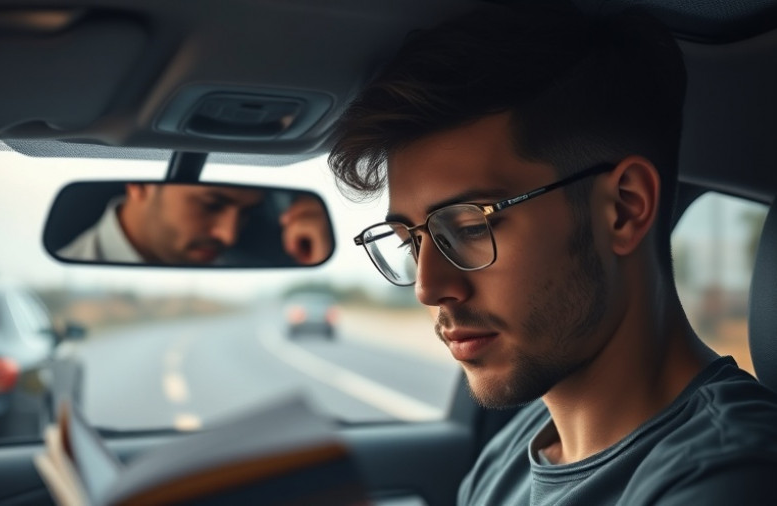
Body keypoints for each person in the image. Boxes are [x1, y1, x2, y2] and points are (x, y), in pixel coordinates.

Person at [328, 4, 777, 505]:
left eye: (470, 227)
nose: (428, 287)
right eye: (411, 241)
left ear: (624, 209)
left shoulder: (731, 477)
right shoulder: (513, 452)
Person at [58, 183, 332, 266]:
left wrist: (311, 257)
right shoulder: (74, 261)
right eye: (211, 204)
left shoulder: (232, 262)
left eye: (246, 213)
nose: (229, 236)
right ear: (140, 186)